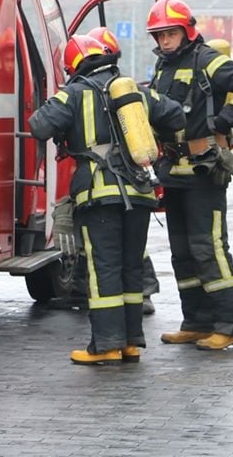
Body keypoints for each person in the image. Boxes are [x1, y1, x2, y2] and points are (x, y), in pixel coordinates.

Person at [29, 33, 184, 365]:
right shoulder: (135, 92)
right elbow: (175, 116)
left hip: (100, 195)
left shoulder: (72, 93)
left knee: (103, 269)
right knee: (131, 267)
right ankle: (130, 342)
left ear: (75, 63)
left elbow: (38, 126)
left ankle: (105, 345)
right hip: (140, 193)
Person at [147, 0, 233, 351]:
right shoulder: (163, 69)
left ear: (186, 31)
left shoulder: (207, 61)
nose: (165, 41)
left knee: (209, 247)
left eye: (170, 33)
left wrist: (224, 120)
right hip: (173, 172)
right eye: (159, 35)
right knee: (182, 252)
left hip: (203, 172)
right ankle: (197, 321)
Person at [87, 26, 160, 316]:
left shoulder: (82, 93)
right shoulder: (133, 92)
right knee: (133, 245)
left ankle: (126, 301)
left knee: (107, 248)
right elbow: (172, 115)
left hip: (102, 185)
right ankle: (143, 292)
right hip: (138, 181)